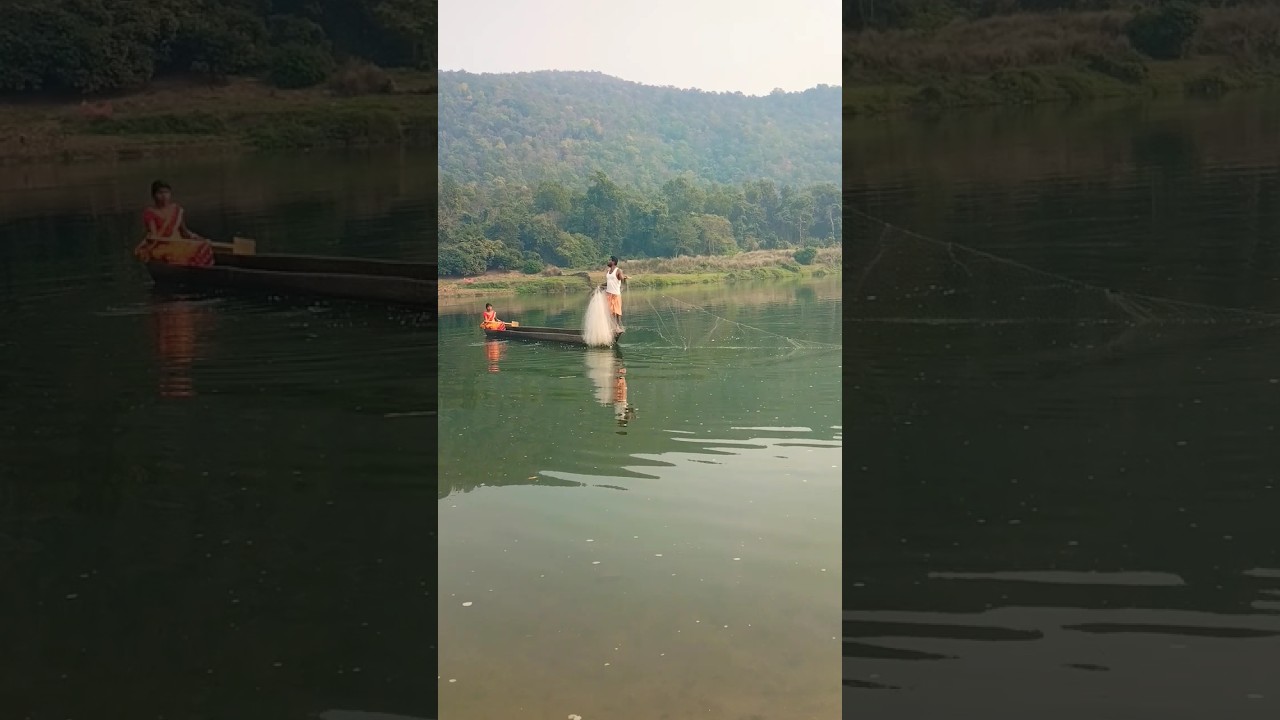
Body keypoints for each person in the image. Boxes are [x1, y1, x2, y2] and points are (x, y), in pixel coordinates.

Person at [133, 180, 214, 266]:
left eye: (166, 192)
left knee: (204, 245)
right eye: (160, 193)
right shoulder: (150, 213)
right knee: (176, 255)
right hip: (162, 246)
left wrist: (199, 239)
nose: (164, 196)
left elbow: (184, 232)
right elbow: (154, 236)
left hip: (179, 243)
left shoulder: (176, 209)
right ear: (154, 195)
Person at [603, 256, 627, 331]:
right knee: (610, 312)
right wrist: (600, 285)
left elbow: (622, 279)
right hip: (609, 294)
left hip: (616, 294)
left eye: (609, 260)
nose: (608, 261)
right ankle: (612, 327)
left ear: (613, 262)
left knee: (617, 312)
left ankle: (617, 327)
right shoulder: (608, 271)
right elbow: (608, 282)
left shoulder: (618, 271)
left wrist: (624, 279)